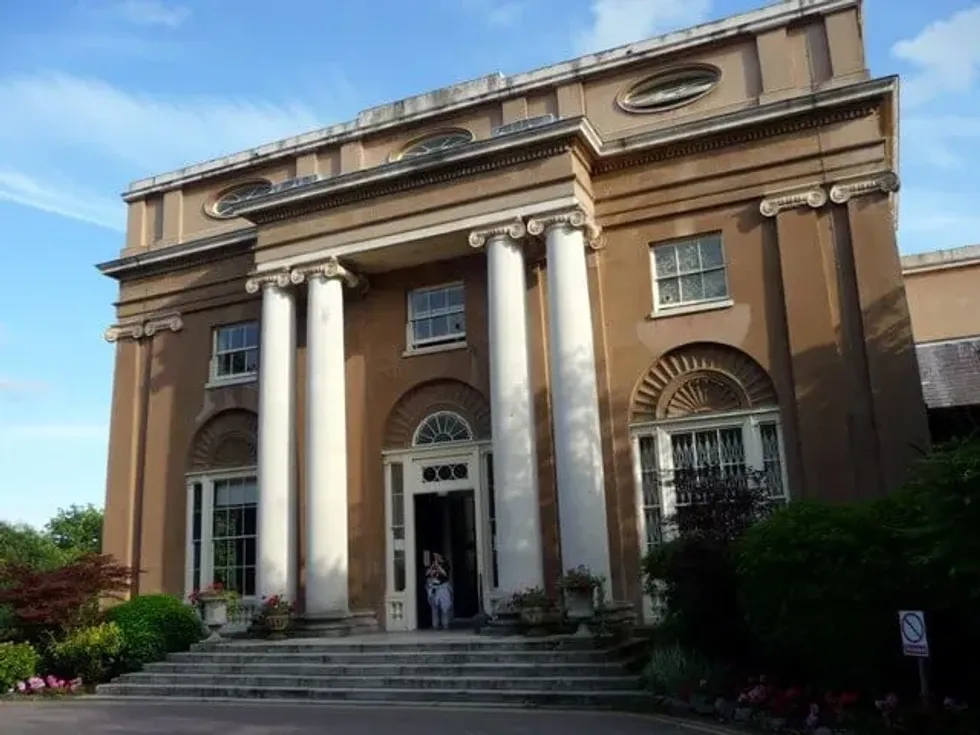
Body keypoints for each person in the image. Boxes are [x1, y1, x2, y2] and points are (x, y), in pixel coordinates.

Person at [425, 552, 453, 630]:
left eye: (437, 556)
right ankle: (435, 625)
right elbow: (427, 573)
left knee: (444, 607)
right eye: (434, 556)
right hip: (433, 588)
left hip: (443, 588)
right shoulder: (432, 565)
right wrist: (432, 567)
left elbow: (445, 574)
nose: (436, 557)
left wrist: (438, 566)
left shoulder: (445, 565)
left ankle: (445, 624)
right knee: (434, 608)